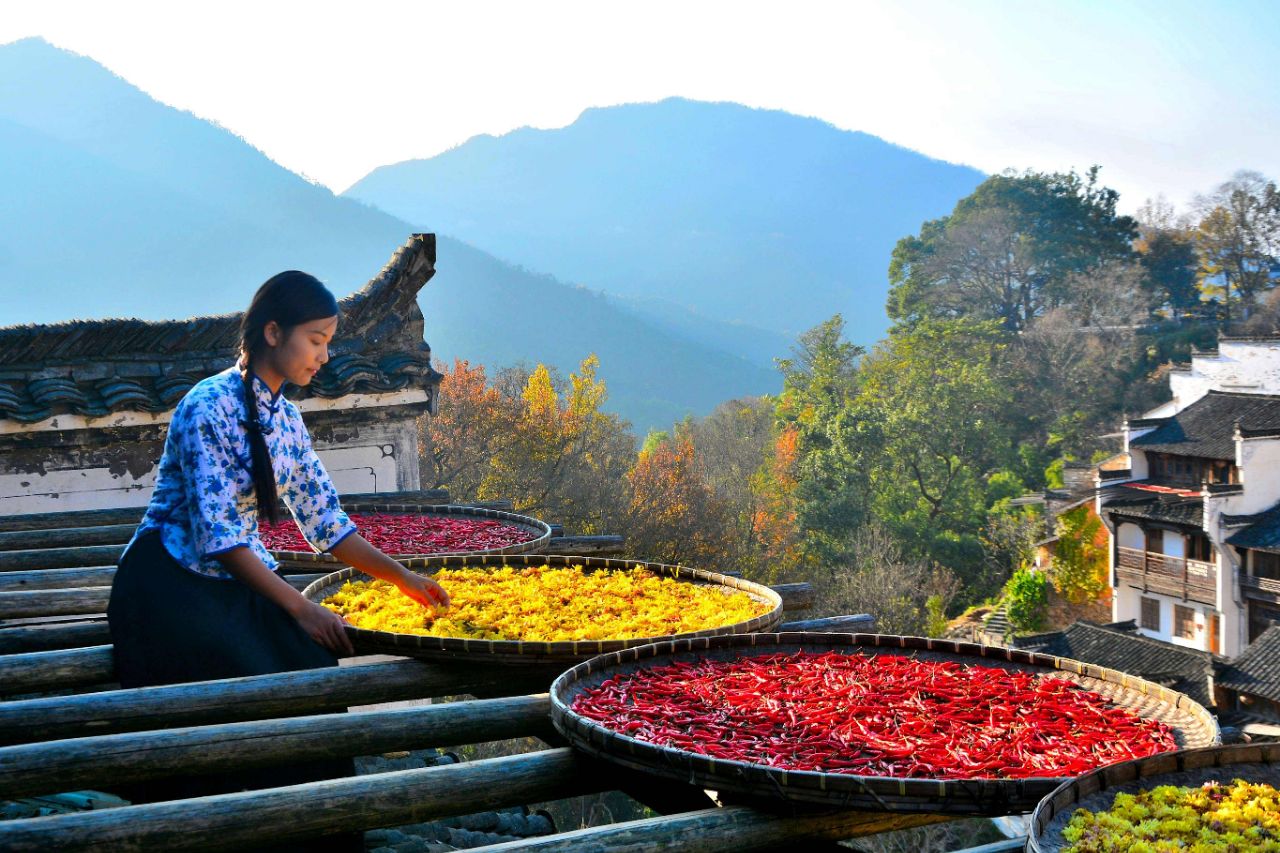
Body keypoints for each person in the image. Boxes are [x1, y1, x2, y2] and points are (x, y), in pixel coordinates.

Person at [107, 271, 449, 846]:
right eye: (315, 339)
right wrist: (301, 608)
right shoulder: (206, 407)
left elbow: (327, 523)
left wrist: (404, 578)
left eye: (327, 340)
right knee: (239, 683)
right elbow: (219, 536)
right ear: (273, 332)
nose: (325, 353)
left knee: (311, 670)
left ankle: (317, 828)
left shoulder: (287, 421)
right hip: (170, 583)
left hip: (238, 579)